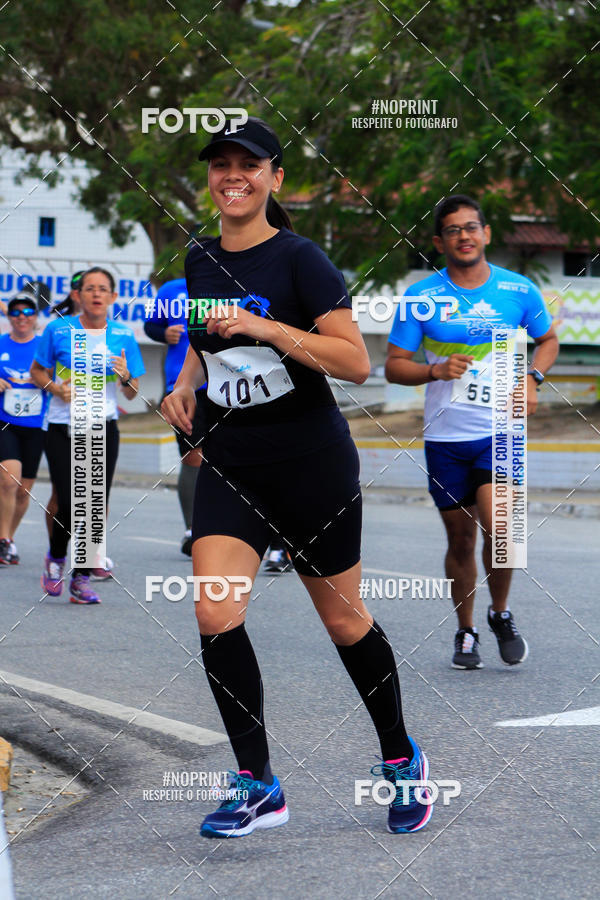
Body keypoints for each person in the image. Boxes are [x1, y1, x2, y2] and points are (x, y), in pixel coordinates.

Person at [162, 116, 432, 839]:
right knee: (215, 613)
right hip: (232, 463)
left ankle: (402, 759)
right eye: (220, 165)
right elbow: (201, 349)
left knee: (344, 621)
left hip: (311, 464)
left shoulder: (301, 260)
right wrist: (184, 385)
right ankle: (257, 783)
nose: (232, 177)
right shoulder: (196, 258)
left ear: (275, 178)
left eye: (247, 165)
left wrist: (270, 329)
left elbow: (353, 362)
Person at [385, 194, 559, 669]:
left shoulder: (519, 291)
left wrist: (531, 378)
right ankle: (466, 632)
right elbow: (394, 367)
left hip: (501, 434)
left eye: (471, 227)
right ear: (440, 241)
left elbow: (547, 340)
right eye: (453, 230)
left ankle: (500, 613)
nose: (464, 235)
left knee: (502, 530)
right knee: (460, 540)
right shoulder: (421, 297)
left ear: (486, 234)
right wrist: (434, 372)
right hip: (446, 439)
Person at [31, 267, 145, 604]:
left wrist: (126, 376)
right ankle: (55, 557)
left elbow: (132, 393)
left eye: (103, 289)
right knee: (68, 500)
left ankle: (81, 579)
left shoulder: (123, 335)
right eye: (90, 288)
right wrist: (55, 388)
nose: (96, 294)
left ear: (112, 297)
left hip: (102, 426)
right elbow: (37, 371)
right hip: (61, 427)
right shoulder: (57, 330)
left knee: (93, 506)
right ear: (78, 296)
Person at [144, 277, 204, 556]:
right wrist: (164, 333)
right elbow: (151, 325)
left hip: (225, 381)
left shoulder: (226, 285)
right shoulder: (171, 290)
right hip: (181, 384)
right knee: (192, 455)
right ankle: (193, 530)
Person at [0, 294, 50, 565]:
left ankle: (8, 538)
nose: (22, 316)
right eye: (16, 311)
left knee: (23, 491)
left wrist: (46, 381)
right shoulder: (1, 344)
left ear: (35, 316)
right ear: (9, 316)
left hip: (36, 425)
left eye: (28, 311)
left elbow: (59, 379)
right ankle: (3, 540)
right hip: (4, 421)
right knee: (9, 480)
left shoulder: (44, 346)